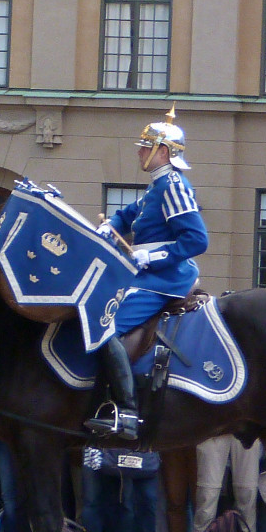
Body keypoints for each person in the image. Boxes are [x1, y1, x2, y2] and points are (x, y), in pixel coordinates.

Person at [92, 106, 209, 441]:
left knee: (106, 328)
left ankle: (126, 412)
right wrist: (109, 227)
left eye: (145, 147)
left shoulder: (173, 184)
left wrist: (151, 256)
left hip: (167, 277)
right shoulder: (156, 187)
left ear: (163, 151)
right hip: (149, 274)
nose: (139, 151)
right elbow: (129, 215)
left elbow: (197, 239)